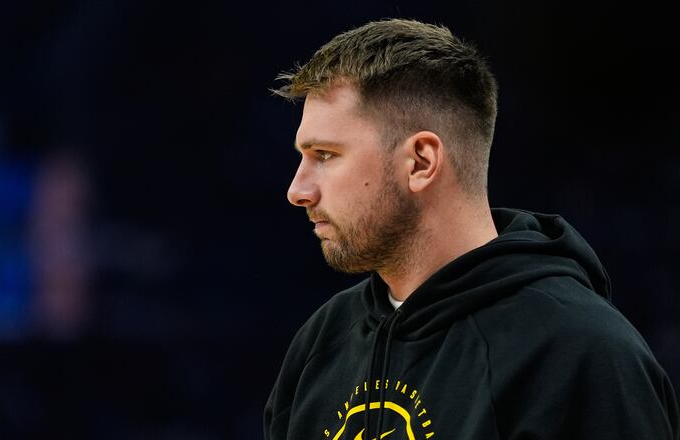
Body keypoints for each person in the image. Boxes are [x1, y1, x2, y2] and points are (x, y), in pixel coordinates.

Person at [264, 18, 680, 440]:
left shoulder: (582, 354)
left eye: (326, 155)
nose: (298, 191)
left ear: (421, 162)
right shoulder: (321, 342)